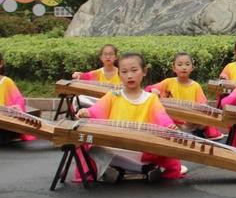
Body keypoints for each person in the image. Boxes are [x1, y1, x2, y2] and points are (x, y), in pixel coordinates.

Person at [77, 52, 186, 180]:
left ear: (144, 71)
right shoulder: (114, 94)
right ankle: (143, 170)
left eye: (134, 70)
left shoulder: (151, 98)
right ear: (119, 75)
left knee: (101, 154)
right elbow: (97, 110)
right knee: (92, 147)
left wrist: (169, 126)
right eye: (124, 72)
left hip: (140, 148)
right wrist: (86, 112)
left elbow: (161, 116)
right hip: (116, 145)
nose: (129, 76)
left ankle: (121, 170)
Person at [150, 52, 220, 138]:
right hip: (172, 121)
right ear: (174, 68)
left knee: (203, 121)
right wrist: (153, 91)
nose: (184, 67)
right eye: (180, 64)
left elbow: (202, 105)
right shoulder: (168, 82)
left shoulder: (195, 86)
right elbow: (150, 90)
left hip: (190, 123)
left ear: (192, 68)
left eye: (187, 64)